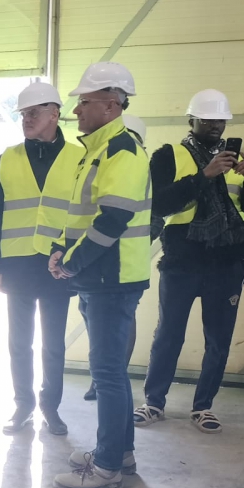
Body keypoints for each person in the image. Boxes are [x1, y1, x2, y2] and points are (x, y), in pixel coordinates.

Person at [134, 89, 244, 433]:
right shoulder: (169, 156)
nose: (215, 125)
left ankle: (203, 407)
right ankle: (153, 402)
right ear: (192, 120)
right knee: (168, 335)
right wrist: (204, 176)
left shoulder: (236, 160)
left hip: (226, 264)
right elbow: (158, 204)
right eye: (207, 119)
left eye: (220, 120)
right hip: (182, 262)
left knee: (218, 340)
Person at [47, 62, 152, 488]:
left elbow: (112, 220)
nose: (75, 110)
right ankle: (120, 453)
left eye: (83, 102)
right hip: (101, 277)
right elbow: (81, 215)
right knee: (111, 373)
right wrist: (61, 249)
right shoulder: (98, 150)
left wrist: (72, 263)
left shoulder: (121, 151)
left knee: (106, 373)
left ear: (110, 105)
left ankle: (106, 467)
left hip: (113, 278)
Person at [0, 81, 80, 436]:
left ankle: (50, 407)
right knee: (19, 343)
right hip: (17, 264)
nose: (27, 119)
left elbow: (85, 214)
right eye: (23, 114)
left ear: (55, 114)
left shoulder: (79, 158)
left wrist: (78, 261)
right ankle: (23, 405)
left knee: (53, 345)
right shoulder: (7, 159)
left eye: (34, 113)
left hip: (58, 265)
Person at [83, 113, 148, 404]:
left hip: (119, 269)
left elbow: (139, 218)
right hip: (95, 265)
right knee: (96, 328)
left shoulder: (132, 161)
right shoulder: (100, 160)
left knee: (114, 345)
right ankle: (100, 376)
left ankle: (109, 375)